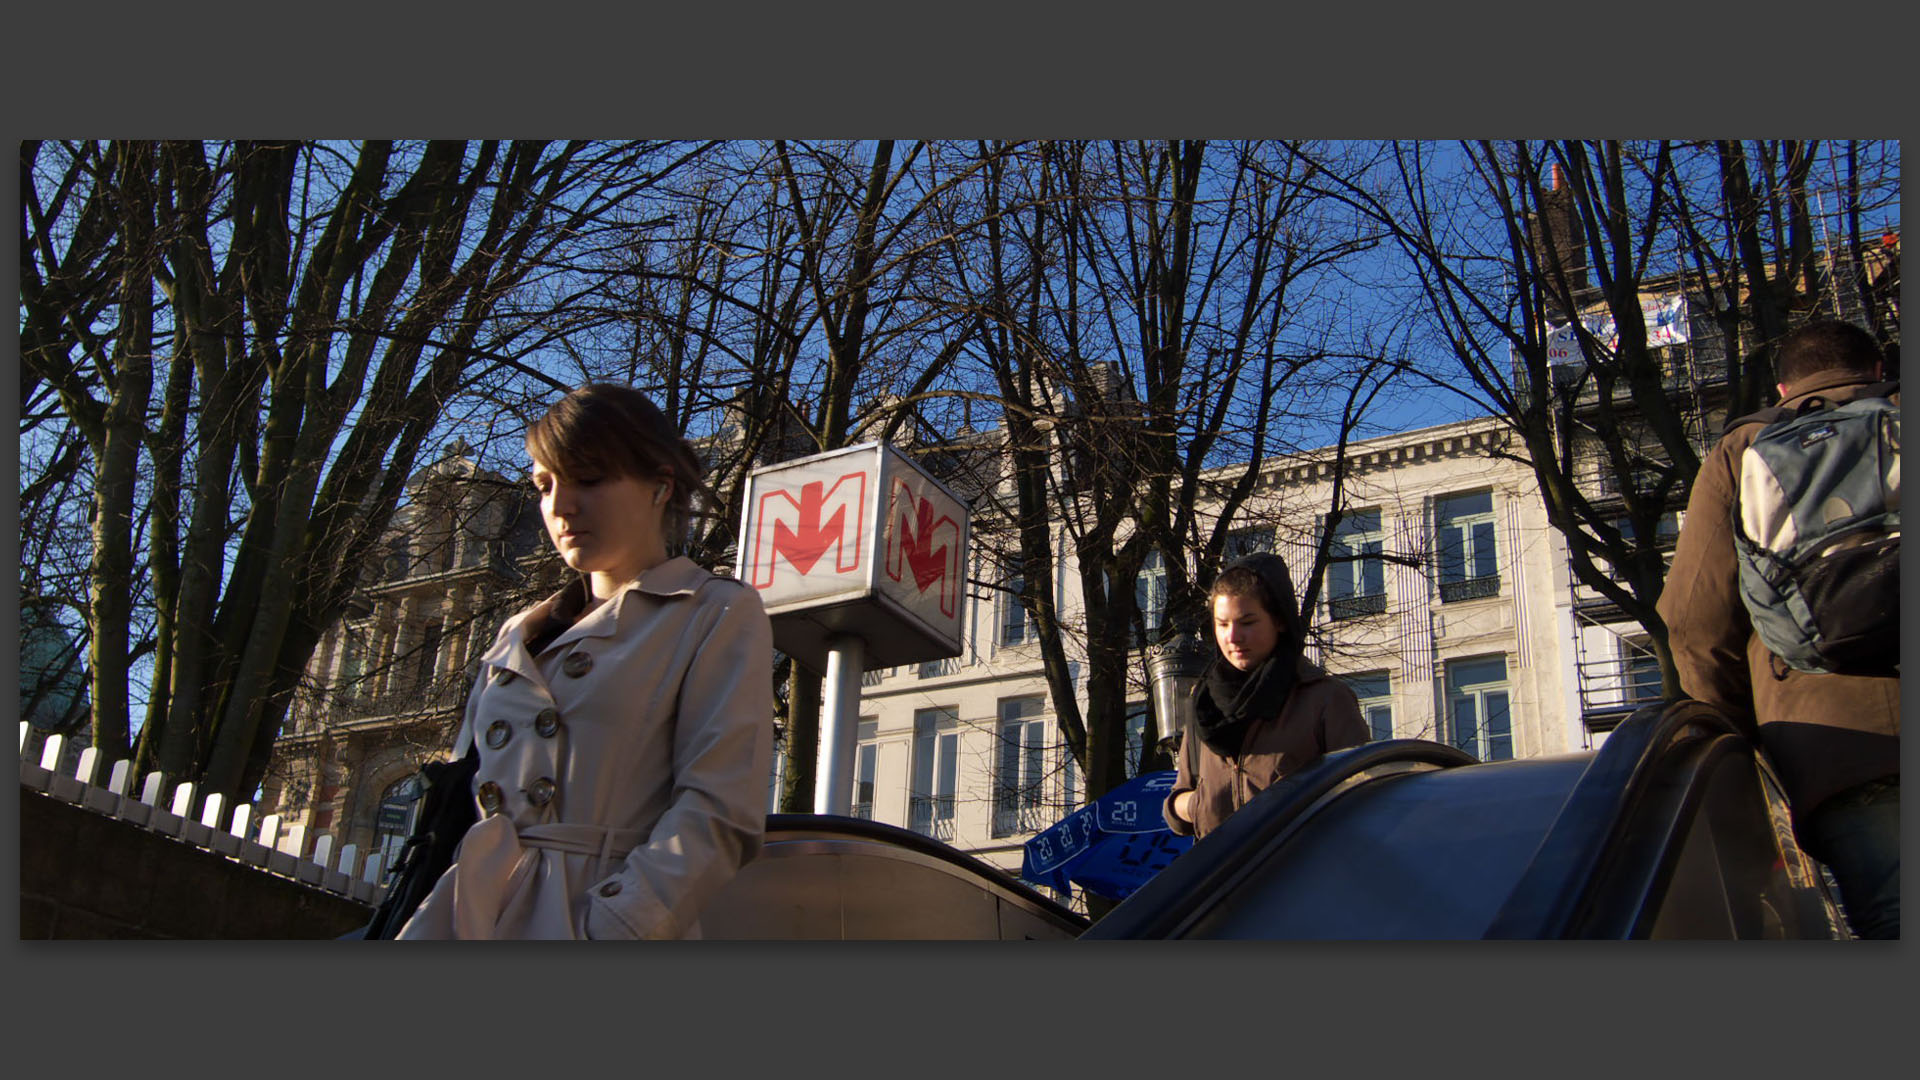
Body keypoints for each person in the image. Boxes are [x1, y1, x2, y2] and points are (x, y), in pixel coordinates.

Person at [396, 383, 774, 939]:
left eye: (590, 479)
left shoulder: (714, 612)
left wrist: (614, 926)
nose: (560, 506)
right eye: (545, 485)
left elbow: (718, 812)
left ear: (660, 486)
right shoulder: (515, 634)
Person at [1658, 320, 1899, 939]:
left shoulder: (1744, 450)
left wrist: (1743, 746)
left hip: (1842, 746)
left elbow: (1692, 619)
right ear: (1876, 370)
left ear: (1785, 386)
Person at [1163, 552, 1370, 839]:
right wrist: (1197, 805)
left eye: (1247, 622)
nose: (1233, 637)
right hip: (1224, 879)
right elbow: (1177, 806)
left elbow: (1364, 800)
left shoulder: (1326, 699)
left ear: (1280, 621)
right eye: (1222, 624)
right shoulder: (1204, 702)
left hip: (1301, 876)